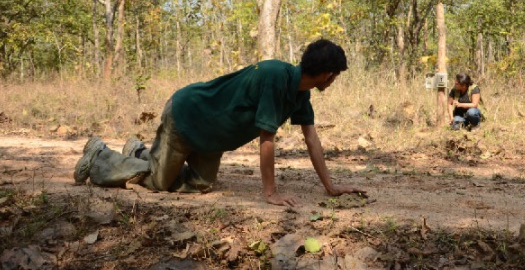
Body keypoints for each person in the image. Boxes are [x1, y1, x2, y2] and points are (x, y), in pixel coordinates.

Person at [73, 39, 366, 207]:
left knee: (200, 185)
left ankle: (139, 152)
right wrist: (270, 193)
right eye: (336, 75)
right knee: (160, 183)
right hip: (189, 116)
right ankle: (100, 157)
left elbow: (312, 140)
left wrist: (331, 187)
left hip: (212, 138)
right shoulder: (277, 76)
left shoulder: (300, 94)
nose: (334, 80)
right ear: (328, 74)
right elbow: (267, 139)